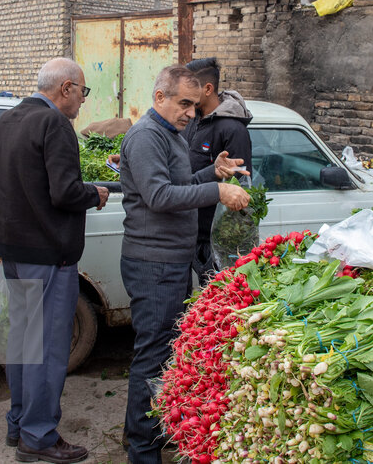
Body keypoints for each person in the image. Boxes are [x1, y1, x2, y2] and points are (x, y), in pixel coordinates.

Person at [119, 65, 250, 464]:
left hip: (170, 260)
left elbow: (179, 185)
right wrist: (217, 189)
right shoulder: (145, 137)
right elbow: (159, 196)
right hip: (153, 262)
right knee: (153, 355)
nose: (191, 113)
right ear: (160, 97)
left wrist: (213, 172)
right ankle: (143, 449)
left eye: (194, 105)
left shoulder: (170, 135)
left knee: (162, 351)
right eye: (184, 103)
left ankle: (141, 434)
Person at [0, 57, 109, 464]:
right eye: (83, 92)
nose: (81, 102)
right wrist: (94, 194)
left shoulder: (5, 121)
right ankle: (38, 437)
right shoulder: (54, 124)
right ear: (67, 88)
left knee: (22, 340)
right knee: (48, 347)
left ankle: (19, 422)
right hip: (48, 255)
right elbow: (64, 192)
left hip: (13, 251)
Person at [181, 57, 253, 283]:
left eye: (189, 87)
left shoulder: (232, 129)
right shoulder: (191, 120)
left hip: (211, 241)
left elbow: (240, 191)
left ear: (208, 89)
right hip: (186, 231)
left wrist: (227, 247)